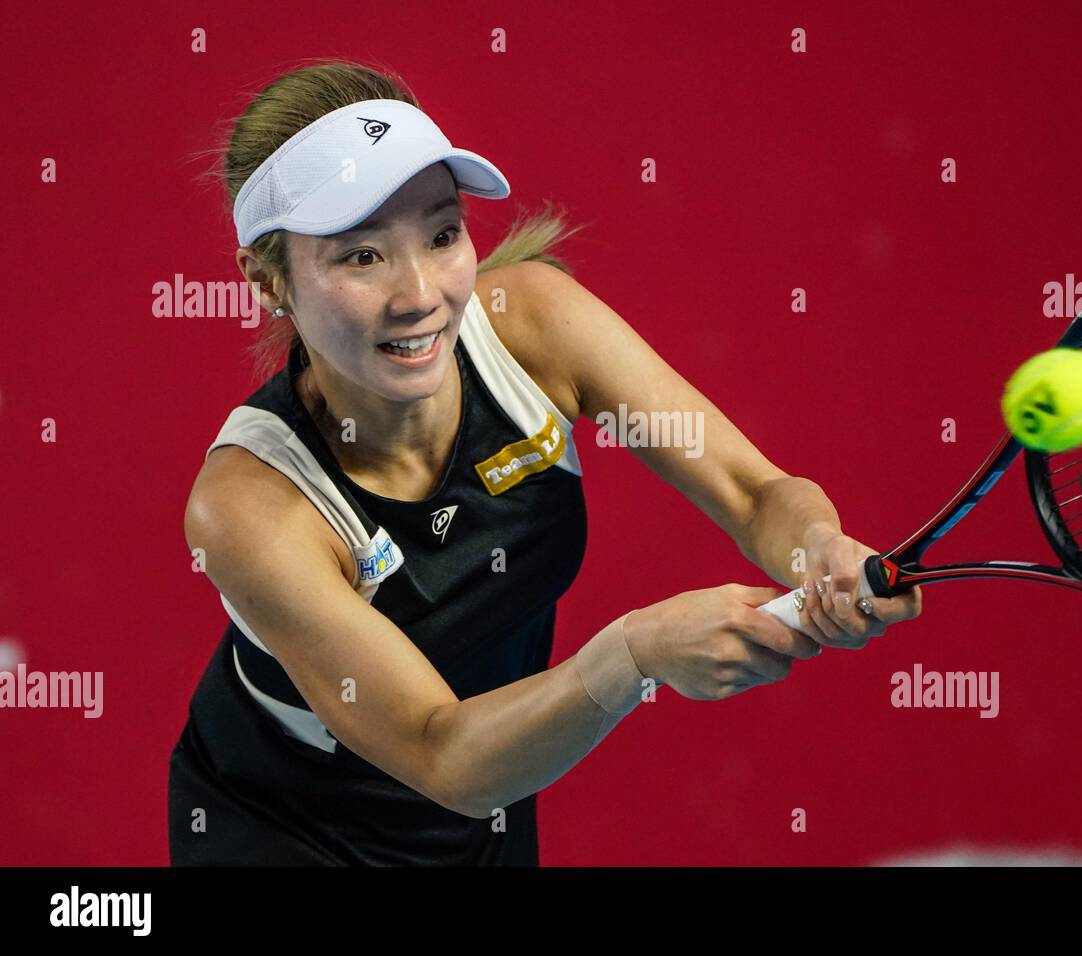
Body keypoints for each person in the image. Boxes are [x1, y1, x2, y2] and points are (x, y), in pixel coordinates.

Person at [169, 59, 922, 866]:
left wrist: (820, 550)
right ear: (265, 278)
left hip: (488, 796)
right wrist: (635, 655)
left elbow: (753, 491)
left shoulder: (530, 328)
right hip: (290, 834)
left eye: (442, 233)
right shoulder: (248, 508)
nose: (420, 292)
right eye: (361, 256)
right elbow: (439, 753)